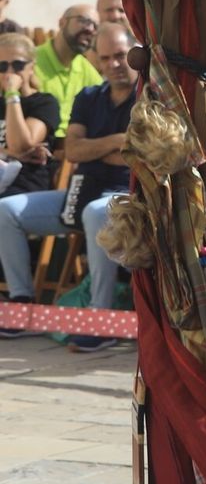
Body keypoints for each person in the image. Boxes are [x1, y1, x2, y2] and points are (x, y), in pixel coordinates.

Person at [0, 24, 135, 350]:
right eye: (105, 58)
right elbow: (73, 150)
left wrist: (100, 148)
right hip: (81, 191)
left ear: (134, 55)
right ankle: (22, 301)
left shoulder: (148, 95)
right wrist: (117, 142)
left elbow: (137, 157)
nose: (113, 64)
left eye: (120, 56)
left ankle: (100, 319)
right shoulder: (89, 97)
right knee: (5, 211)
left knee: (94, 213)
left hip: (129, 196)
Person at [0, 33, 61, 194]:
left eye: (18, 65)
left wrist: (12, 94)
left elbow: (20, 144)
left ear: (31, 67)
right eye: (2, 66)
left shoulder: (44, 102)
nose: (9, 72)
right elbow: (17, 151)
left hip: (24, 183)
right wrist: (10, 153)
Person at [34, 5, 103, 141]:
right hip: (36, 145)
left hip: (72, 150)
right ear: (62, 22)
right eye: (84, 20)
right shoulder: (30, 61)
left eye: (95, 26)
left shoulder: (89, 73)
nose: (90, 29)